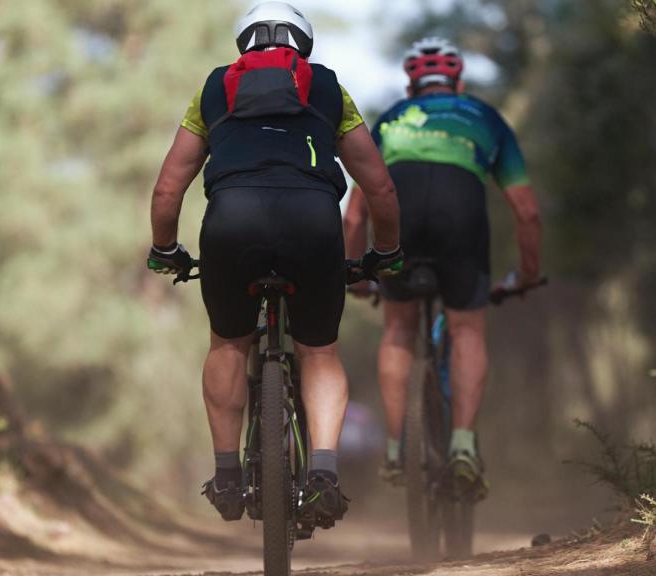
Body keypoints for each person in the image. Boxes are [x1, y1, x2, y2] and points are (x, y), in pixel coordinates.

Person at [146, 2, 402, 527]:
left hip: (231, 223)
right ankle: (324, 475)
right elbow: (378, 184)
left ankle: (226, 476)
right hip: (312, 223)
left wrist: (165, 247)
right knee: (319, 351)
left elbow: (170, 185)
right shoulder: (329, 88)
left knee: (228, 343)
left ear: (242, 44)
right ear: (303, 44)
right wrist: (386, 251)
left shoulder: (213, 89)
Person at [343, 37, 543, 499]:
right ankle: (462, 446)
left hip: (402, 221)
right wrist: (527, 274)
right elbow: (527, 212)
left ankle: (395, 449)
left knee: (397, 330)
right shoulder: (485, 118)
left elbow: (355, 215)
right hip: (462, 223)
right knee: (468, 329)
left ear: (411, 86)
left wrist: (357, 273)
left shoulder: (392, 119)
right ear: (459, 82)